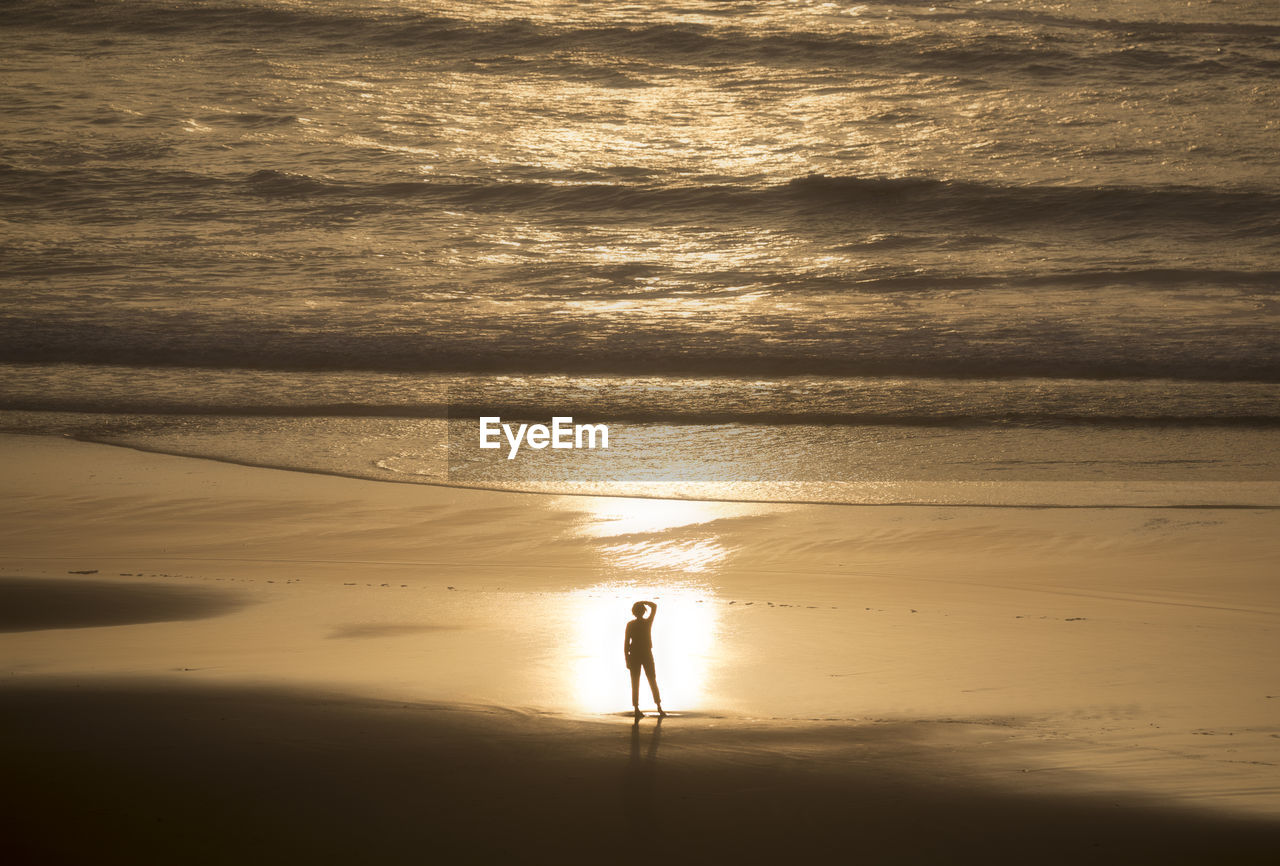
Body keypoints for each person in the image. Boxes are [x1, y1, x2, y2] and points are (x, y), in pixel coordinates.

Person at [624, 600, 665, 720]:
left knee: (637, 682)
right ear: (642, 612)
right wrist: (644, 602)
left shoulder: (632, 624)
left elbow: (626, 643)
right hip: (644, 654)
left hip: (638, 654)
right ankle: (658, 707)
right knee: (651, 679)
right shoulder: (647, 623)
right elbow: (654, 606)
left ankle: (638, 708)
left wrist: (627, 658)